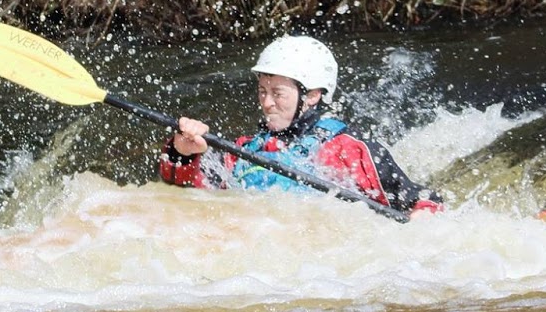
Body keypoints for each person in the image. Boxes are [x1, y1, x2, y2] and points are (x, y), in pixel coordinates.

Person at [157, 35, 442, 216]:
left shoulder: (349, 150)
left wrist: (422, 217)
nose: (267, 102)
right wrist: (184, 151)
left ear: (312, 95)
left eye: (277, 93)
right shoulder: (243, 150)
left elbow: (422, 200)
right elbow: (181, 194)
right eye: (262, 91)